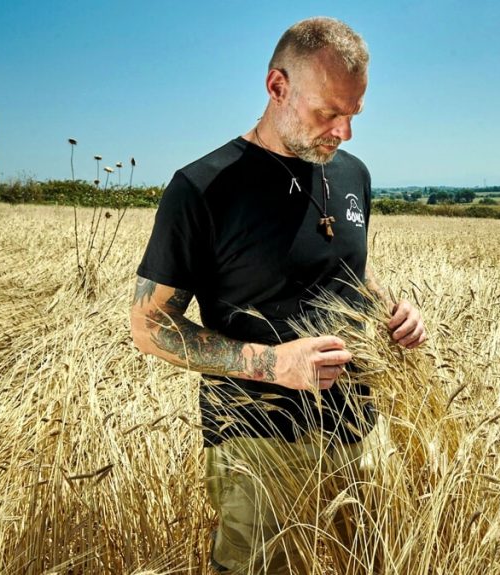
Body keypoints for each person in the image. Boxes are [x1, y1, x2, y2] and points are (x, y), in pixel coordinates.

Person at [129, 17, 427, 573]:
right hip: (256, 441)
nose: (343, 133)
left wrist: (393, 311)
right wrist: (273, 363)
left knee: (367, 562)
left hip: (355, 426)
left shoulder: (353, 173)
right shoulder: (202, 188)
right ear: (277, 87)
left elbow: (347, 273)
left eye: (353, 114)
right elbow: (150, 326)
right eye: (327, 113)